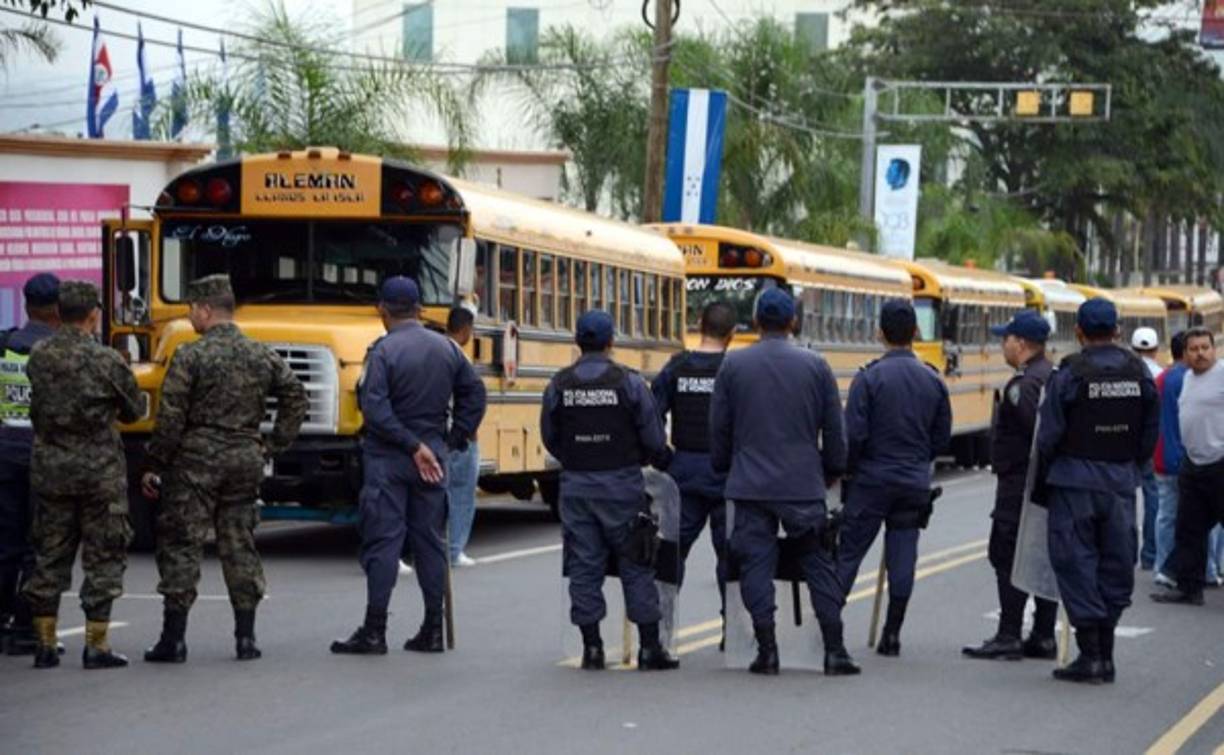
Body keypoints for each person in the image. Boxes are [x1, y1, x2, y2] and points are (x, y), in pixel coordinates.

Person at [141, 274, 307, 663]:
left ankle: (174, 639)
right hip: (244, 459)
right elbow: (295, 396)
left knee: (182, 544)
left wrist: (155, 464)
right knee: (239, 543)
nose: (190, 319)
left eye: (191, 311)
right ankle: (246, 639)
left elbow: (171, 419)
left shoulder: (190, 355)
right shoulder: (259, 353)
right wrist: (273, 443)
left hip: (196, 462)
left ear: (204, 309)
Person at [331, 277, 486, 656]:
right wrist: (452, 440)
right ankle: (433, 629)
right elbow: (475, 394)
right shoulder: (448, 349)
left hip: (389, 458)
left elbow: (376, 408)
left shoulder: (382, 352)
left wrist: (410, 444)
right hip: (433, 457)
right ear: (418, 309)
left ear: (383, 309)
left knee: (384, 542)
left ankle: (374, 630)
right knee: (430, 542)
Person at [711, 287, 854, 676]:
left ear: (756, 322)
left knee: (756, 563)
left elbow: (720, 427)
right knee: (816, 561)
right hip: (802, 483)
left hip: (751, 484)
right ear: (793, 322)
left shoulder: (733, 367)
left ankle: (767, 649)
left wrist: (726, 466)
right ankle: (835, 649)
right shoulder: (816, 366)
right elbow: (834, 427)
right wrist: (832, 469)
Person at [539, 310, 677, 672]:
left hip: (577, 486)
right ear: (611, 341)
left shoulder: (559, 384)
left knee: (584, 566)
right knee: (636, 561)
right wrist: (652, 458)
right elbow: (653, 437)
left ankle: (593, 648)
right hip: (621, 485)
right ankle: (649, 648)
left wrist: (576, 457)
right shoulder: (628, 383)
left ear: (577, 341)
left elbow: (550, 437)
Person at [1034, 297, 1158, 684]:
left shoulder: (1070, 373)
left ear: (1080, 333)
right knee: (1116, 563)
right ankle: (1106, 655)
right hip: (1120, 481)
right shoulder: (1138, 371)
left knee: (1076, 563)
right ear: (1118, 331)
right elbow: (1149, 432)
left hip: (1074, 481)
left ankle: (1092, 655)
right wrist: (1131, 466)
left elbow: (1049, 434)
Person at [22, 281, 143, 669]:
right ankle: (97, 645)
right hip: (98, 473)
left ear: (58, 313)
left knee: (50, 554)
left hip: (52, 468)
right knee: (103, 555)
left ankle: (44, 642)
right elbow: (134, 411)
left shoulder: (39, 355)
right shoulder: (106, 361)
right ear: (93, 315)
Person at [835, 299, 952, 658]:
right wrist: (918, 460)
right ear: (916, 332)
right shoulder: (933, 380)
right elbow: (941, 438)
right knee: (903, 554)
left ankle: (829, 629)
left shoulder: (868, 378)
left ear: (879, 333)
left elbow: (853, 436)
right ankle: (892, 633)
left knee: (849, 554)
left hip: (871, 479)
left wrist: (848, 470)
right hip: (912, 479)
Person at [964, 310, 1058, 661]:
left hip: (1020, 483)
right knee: (1040, 555)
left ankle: (1009, 633)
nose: (1002, 345)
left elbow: (1038, 434)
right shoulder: (1052, 374)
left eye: (1006, 339)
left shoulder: (1024, 385)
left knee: (1007, 556)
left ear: (1020, 343)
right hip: (1041, 485)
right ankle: (1044, 635)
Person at [649, 301, 736, 644]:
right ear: (731, 335)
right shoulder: (734, 370)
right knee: (731, 555)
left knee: (671, 554)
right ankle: (734, 630)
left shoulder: (677, 367)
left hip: (683, 473)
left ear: (699, 325)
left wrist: (663, 458)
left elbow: (650, 417)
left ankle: (661, 627)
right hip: (726, 474)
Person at [0, 273, 60, 655]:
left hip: (5, 453)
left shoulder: (5, 344)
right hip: (42, 456)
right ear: (57, 308)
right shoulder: (57, 353)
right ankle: (25, 626)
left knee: (5, 543)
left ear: (26, 305)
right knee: (37, 547)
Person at [1151, 327, 1224, 606]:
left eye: (1205, 347)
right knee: (1189, 530)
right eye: (1194, 349)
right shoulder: (1189, 379)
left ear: (1213, 349)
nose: (1200, 353)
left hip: (1220, 463)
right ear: (1185, 353)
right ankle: (1189, 588)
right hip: (1193, 465)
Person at [444, 305, 481, 568]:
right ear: (466, 329)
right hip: (459, 436)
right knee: (461, 495)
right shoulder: (459, 358)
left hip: (436, 433)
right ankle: (455, 549)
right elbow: (472, 400)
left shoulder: (434, 352)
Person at [1152, 332, 1189, 587]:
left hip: (1162, 456)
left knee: (1165, 515)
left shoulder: (1160, 378)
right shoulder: (1192, 379)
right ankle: (1207, 568)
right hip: (1189, 458)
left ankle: (1162, 565)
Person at [1131, 326, 1163, 570]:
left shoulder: (1127, 373)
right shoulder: (1162, 374)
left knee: (1126, 501)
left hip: (1126, 445)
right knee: (1154, 500)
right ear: (1156, 349)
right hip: (1153, 447)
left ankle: (1126, 550)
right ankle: (1150, 554)